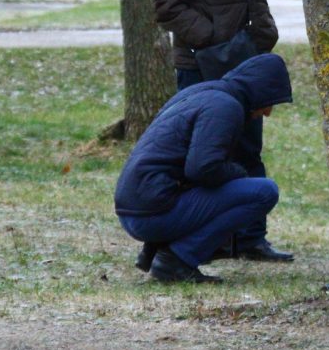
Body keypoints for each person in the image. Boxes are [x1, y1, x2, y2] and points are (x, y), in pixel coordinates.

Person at [153, 0, 292, 262]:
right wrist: (211, 40)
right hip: (202, 69)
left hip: (244, 66)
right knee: (203, 157)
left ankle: (250, 238)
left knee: (249, 151)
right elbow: (166, 5)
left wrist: (262, 35)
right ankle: (206, 238)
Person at [114, 54, 293, 283]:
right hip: (152, 214)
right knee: (263, 191)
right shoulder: (225, 107)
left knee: (232, 187)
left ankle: (161, 249)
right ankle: (177, 261)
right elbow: (202, 169)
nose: (268, 112)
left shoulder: (198, 93)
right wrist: (239, 174)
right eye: (271, 102)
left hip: (135, 208)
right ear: (259, 91)